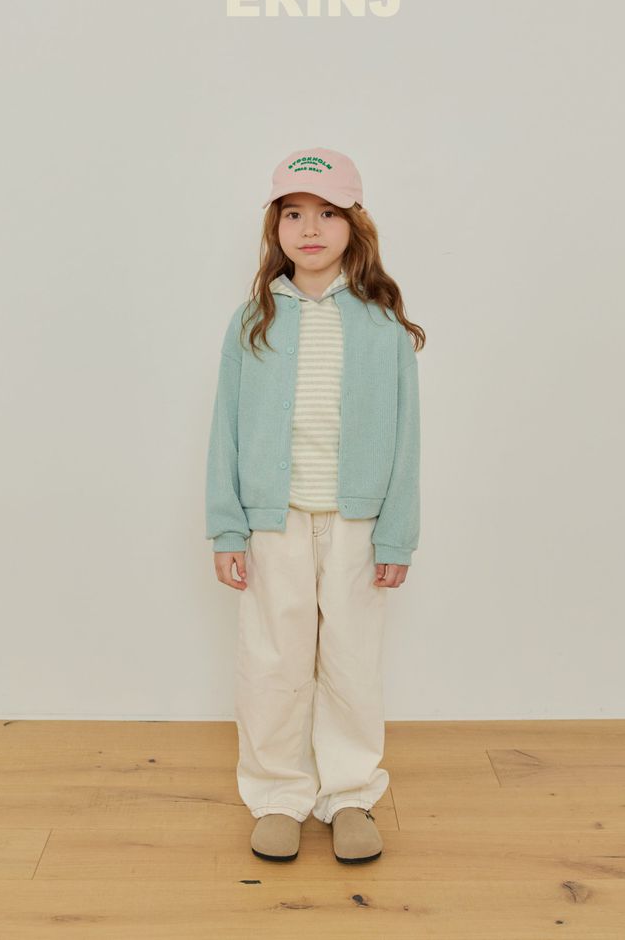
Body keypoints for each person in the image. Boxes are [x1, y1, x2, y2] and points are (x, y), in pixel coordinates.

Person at [205, 147, 424, 864]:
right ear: (275, 227)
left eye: (327, 213)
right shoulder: (254, 320)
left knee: (352, 663)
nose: (309, 228)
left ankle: (350, 794)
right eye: (293, 214)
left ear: (354, 225)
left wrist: (397, 535)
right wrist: (228, 527)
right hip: (275, 522)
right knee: (273, 661)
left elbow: (406, 435)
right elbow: (226, 428)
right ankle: (277, 795)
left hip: (358, 524)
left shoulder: (382, 324)